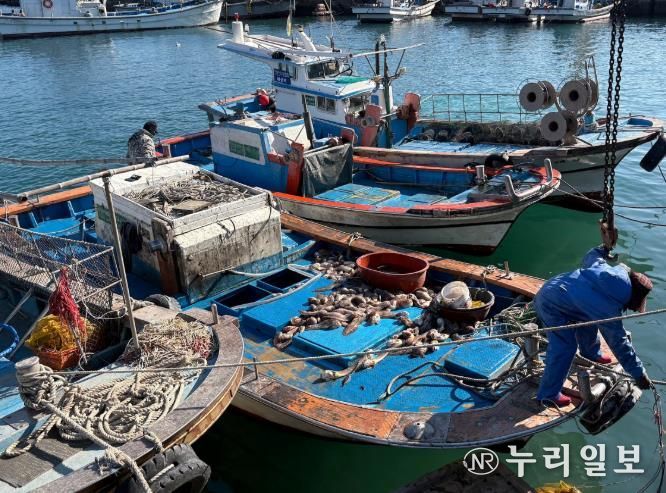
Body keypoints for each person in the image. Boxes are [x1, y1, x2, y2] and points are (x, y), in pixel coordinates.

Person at [535, 244, 653, 407]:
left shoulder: (607, 272)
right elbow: (619, 342)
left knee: (589, 322)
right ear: (634, 297)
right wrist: (639, 373)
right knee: (565, 347)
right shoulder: (608, 308)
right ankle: (548, 394)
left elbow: (591, 256)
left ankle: (591, 353)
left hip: (558, 287)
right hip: (550, 304)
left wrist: (603, 249)